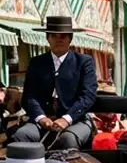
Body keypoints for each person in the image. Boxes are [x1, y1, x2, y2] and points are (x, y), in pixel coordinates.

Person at [14, 16, 98, 150]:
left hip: (76, 120)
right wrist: (41, 118)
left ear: (70, 39)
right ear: (48, 38)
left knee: (67, 139)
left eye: (63, 36)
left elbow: (88, 96)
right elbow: (29, 96)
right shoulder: (36, 63)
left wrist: (67, 119)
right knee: (22, 135)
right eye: (54, 36)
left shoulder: (84, 62)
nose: (59, 39)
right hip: (42, 120)